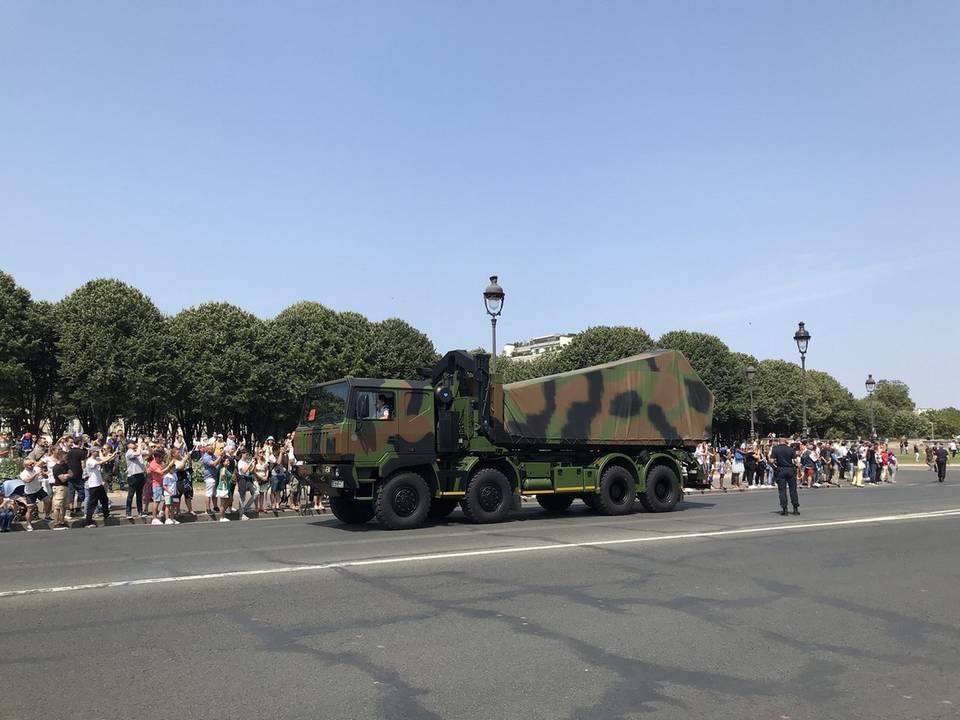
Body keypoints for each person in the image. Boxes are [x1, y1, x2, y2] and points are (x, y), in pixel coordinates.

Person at [83, 444, 116, 528]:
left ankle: (106, 515)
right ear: (92, 452)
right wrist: (112, 455)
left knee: (104, 500)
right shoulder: (90, 461)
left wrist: (113, 456)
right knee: (92, 503)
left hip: (99, 483)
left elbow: (104, 459)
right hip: (93, 485)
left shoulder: (96, 458)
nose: (98, 453)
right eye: (97, 451)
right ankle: (88, 521)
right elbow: (102, 462)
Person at [771, 438, 800, 515]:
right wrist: (798, 469)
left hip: (781, 470)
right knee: (793, 490)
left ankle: (785, 509)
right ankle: (795, 508)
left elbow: (771, 460)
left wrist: (775, 465)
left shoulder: (775, 449)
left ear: (779, 442)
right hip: (790, 469)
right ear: (785, 442)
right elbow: (795, 461)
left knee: (782, 490)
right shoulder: (791, 449)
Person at [147, 449, 175, 526]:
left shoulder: (161, 462)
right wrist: (169, 466)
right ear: (155, 457)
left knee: (167, 499)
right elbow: (161, 472)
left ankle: (166, 515)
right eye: (159, 458)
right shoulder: (153, 464)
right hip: (157, 484)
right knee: (157, 501)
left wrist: (169, 465)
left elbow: (165, 469)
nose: (161, 459)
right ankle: (154, 519)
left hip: (164, 483)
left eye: (162, 457)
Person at [18, 458, 46, 532]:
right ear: (26, 466)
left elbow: (46, 476)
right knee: (30, 509)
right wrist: (35, 474)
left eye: (33, 463)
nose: (32, 465)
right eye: (30, 465)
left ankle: (47, 516)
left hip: (39, 489)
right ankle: (29, 525)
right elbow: (28, 481)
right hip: (30, 492)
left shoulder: (36, 468)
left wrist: (43, 474)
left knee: (48, 500)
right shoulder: (23, 474)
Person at [125, 439, 149, 519]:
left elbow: (148, 453)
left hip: (141, 475)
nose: (134, 444)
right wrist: (139, 443)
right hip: (133, 476)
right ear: (128, 445)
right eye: (132, 443)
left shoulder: (137, 451)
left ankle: (140, 511)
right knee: (131, 495)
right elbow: (138, 453)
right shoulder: (129, 452)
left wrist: (146, 444)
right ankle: (128, 512)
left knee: (140, 494)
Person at [50, 449, 73, 529]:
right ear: (60, 456)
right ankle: (56, 523)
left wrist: (66, 475)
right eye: (65, 456)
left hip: (66, 487)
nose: (66, 458)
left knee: (64, 506)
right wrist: (67, 475)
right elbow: (62, 479)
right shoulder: (56, 467)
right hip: (59, 487)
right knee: (57, 506)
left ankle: (62, 521)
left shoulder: (66, 465)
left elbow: (71, 474)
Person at [65, 436, 88, 517]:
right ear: (80, 443)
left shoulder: (69, 452)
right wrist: (85, 474)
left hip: (70, 475)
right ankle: (78, 509)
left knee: (71, 493)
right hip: (79, 475)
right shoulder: (82, 452)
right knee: (81, 492)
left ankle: (70, 510)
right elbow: (83, 464)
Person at [201, 444, 223, 515]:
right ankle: (208, 509)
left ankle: (215, 507)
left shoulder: (213, 455)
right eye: (210, 449)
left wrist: (221, 456)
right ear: (206, 450)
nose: (211, 450)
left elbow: (219, 461)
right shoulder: (206, 457)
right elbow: (214, 464)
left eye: (212, 448)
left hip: (215, 476)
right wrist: (220, 456)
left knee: (214, 494)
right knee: (209, 494)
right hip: (209, 477)